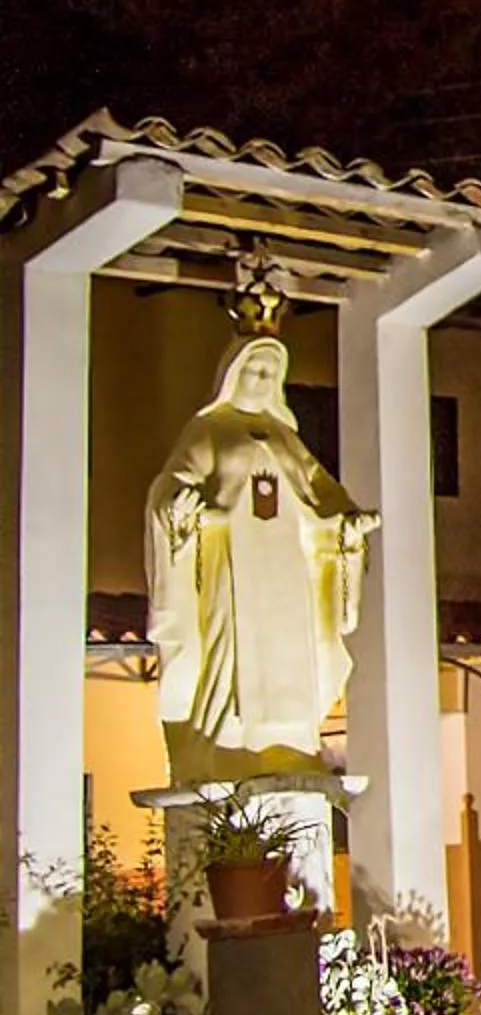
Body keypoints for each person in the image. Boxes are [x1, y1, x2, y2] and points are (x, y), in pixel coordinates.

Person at [145, 335, 379, 784]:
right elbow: (172, 484)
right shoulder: (210, 431)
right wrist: (179, 506)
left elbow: (323, 491)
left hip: (289, 574)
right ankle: (226, 748)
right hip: (232, 569)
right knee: (231, 657)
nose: (262, 379)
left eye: (271, 373)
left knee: (292, 653)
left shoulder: (286, 438)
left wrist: (349, 522)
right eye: (254, 370)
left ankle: (292, 745)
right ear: (233, 375)